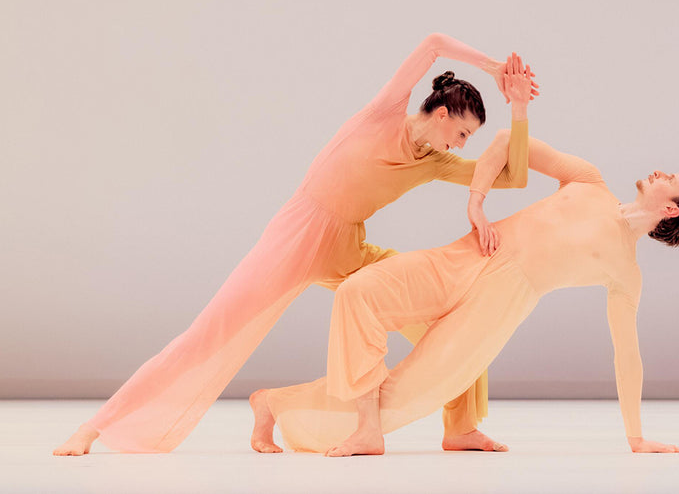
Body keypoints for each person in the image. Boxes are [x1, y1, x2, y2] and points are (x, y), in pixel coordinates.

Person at [53, 33, 537, 456]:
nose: (463, 144)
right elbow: (432, 43)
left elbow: (513, 177)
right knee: (207, 335)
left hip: (348, 250)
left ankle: (459, 428)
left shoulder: (434, 162)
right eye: (462, 132)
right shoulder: (383, 113)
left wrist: (519, 108)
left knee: (455, 318)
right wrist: (494, 67)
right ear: (442, 113)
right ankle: (94, 427)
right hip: (296, 237)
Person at [255, 115, 679, 456]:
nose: (661, 172)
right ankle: (370, 428)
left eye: (672, 180)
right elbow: (506, 141)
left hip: (499, 305)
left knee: (406, 394)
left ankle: (278, 405)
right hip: (469, 253)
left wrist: (636, 437)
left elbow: (627, 355)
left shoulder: (626, 272)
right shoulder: (589, 180)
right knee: (359, 291)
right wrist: (477, 203)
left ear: (671, 210)